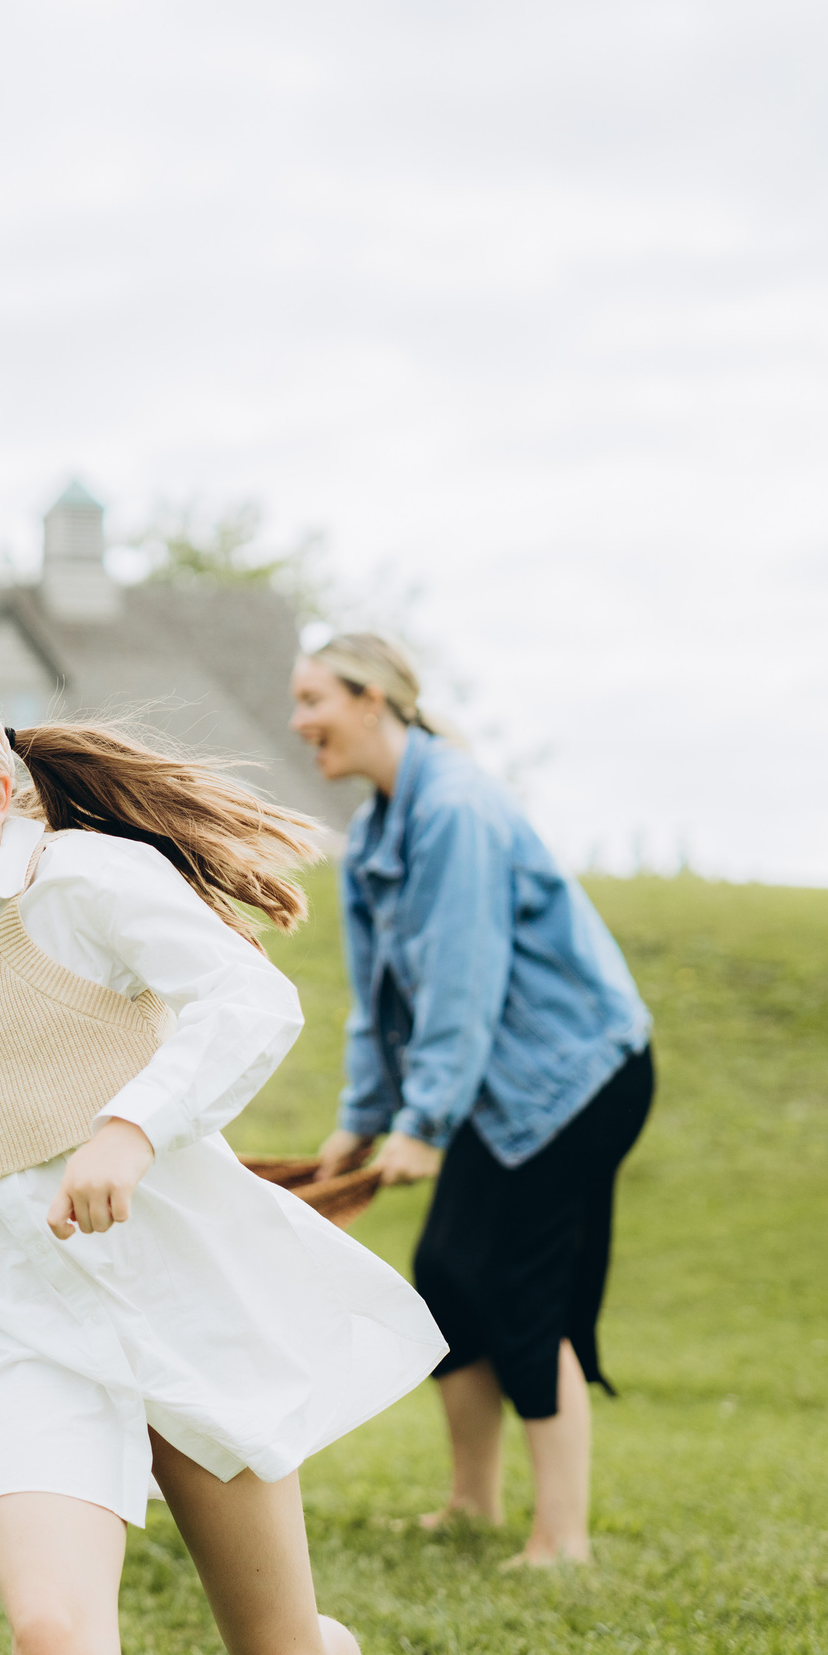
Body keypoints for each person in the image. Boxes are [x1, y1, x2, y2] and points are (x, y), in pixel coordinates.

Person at [0, 636, 441, 1655]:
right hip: (30, 1336)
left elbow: (249, 1003)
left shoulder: (84, 882)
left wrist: (130, 1128)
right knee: (53, 1647)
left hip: (182, 1311)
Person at [295, 632, 654, 1569]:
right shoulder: (377, 827)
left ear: (372, 701)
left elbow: (463, 979)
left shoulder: (456, 807)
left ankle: (561, 1538)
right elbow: (378, 998)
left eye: (313, 702)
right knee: (450, 1277)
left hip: (577, 1074)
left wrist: (425, 1123)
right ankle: (472, 1504)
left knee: (518, 1290)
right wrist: (363, 1117)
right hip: (505, 1079)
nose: (301, 724)